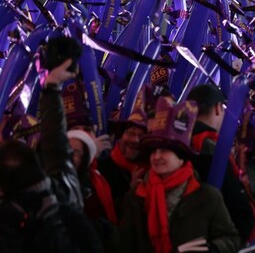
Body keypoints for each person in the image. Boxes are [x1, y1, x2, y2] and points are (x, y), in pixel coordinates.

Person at [0, 47, 101, 252]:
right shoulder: (63, 193)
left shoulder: (8, 228)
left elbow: (56, 145)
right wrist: (52, 86)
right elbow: (56, 145)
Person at [117, 96, 240, 253]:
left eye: (165, 150)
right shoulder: (136, 197)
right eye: (153, 151)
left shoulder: (207, 196)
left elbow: (231, 238)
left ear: (181, 157)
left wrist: (212, 249)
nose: (157, 156)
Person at [187, 83, 255, 246]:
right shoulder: (211, 146)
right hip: (218, 237)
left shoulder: (183, 139)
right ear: (218, 108)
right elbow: (232, 192)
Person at [97, 103, 148, 218]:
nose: (135, 140)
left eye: (141, 136)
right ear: (121, 136)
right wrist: (132, 191)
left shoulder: (151, 171)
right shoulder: (102, 169)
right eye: (131, 133)